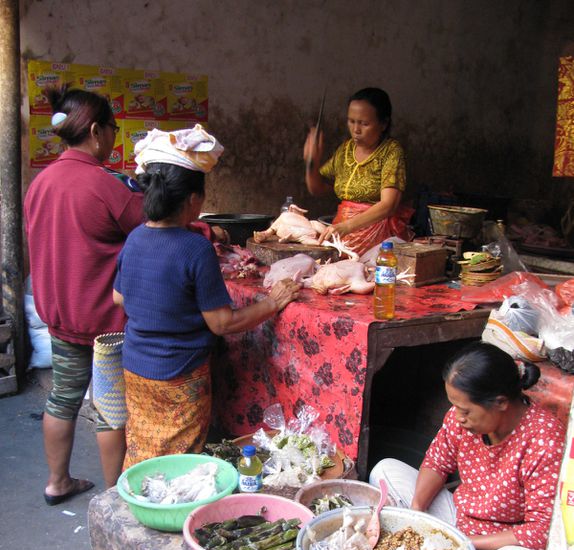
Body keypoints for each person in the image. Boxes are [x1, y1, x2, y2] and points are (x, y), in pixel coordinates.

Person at [113, 126, 300, 468]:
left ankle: (138, 506)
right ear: (192, 199)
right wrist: (272, 302)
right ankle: (171, 518)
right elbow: (222, 323)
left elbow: (119, 299)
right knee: (180, 460)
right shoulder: (195, 248)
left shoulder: (135, 238)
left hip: (136, 367)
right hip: (180, 374)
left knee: (144, 448)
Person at [369, 341, 565, 550]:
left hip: (503, 545)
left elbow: (540, 530)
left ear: (500, 403)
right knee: (385, 470)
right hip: (459, 520)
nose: (457, 417)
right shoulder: (460, 419)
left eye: (465, 410)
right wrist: (417, 516)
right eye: (455, 407)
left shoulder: (544, 439)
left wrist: (464, 543)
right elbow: (437, 462)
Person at [24, 85, 144, 504]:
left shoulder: (41, 182)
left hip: (60, 315)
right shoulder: (104, 184)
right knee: (111, 407)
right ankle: (114, 498)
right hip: (103, 324)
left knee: (63, 396)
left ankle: (57, 482)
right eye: (112, 128)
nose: (114, 137)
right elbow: (152, 228)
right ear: (95, 131)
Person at [303, 86, 412, 255]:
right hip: (341, 234)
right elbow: (317, 189)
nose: (356, 130)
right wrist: (312, 162)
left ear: (383, 124)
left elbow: (388, 205)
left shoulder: (391, 152)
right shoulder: (345, 150)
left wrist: (347, 226)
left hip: (377, 237)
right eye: (351, 121)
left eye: (364, 123)